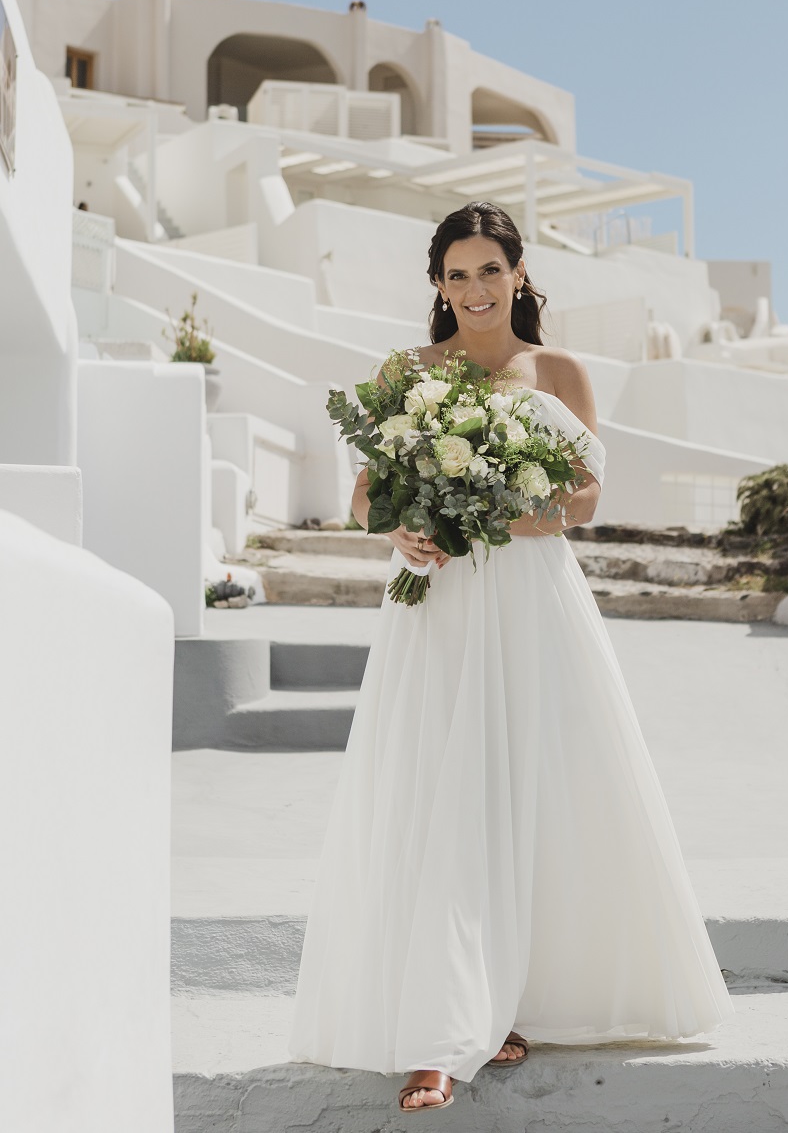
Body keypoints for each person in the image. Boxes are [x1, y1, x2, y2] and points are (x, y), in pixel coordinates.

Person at [287, 200, 735, 1114]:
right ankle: (443, 1027)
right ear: (438, 286)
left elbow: (581, 499)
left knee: (540, 785)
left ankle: (518, 1000)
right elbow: (369, 493)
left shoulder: (559, 370)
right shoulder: (406, 371)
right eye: (456, 274)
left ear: (520, 274)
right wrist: (408, 529)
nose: (474, 289)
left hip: (530, 601)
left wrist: (482, 514)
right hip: (438, 606)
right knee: (438, 786)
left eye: (489, 269)